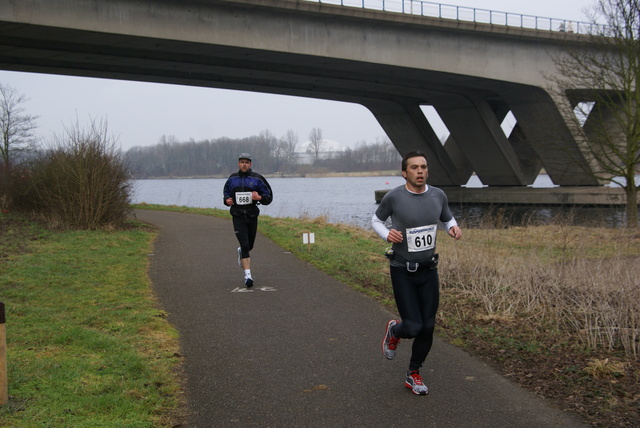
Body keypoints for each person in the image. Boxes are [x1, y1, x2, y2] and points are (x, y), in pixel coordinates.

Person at [372, 150, 462, 395]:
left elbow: (447, 219)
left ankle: (414, 373)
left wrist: (453, 228)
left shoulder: (438, 195)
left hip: (429, 270)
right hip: (402, 270)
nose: (420, 171)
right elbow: (376, 221)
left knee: (428, 326)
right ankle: (394, 330)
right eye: (414, 167)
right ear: (405, 173)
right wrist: (386, 234)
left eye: (423, 167)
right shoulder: (394, 197)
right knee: (412, 327)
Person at [223, 153, 273, 287]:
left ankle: (241, 251)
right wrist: (227, 201)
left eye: (246, 162)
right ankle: (248, 276)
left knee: (250, 245)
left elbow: (268, 197)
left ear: (250, 164)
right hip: (238, 216)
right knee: (245, 245)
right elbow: (226, 193)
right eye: (242, 162)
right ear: (238, 164)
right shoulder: (232, 179)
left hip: (251, 216)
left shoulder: (257, 179)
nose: (244, 164)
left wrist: (259, 198)